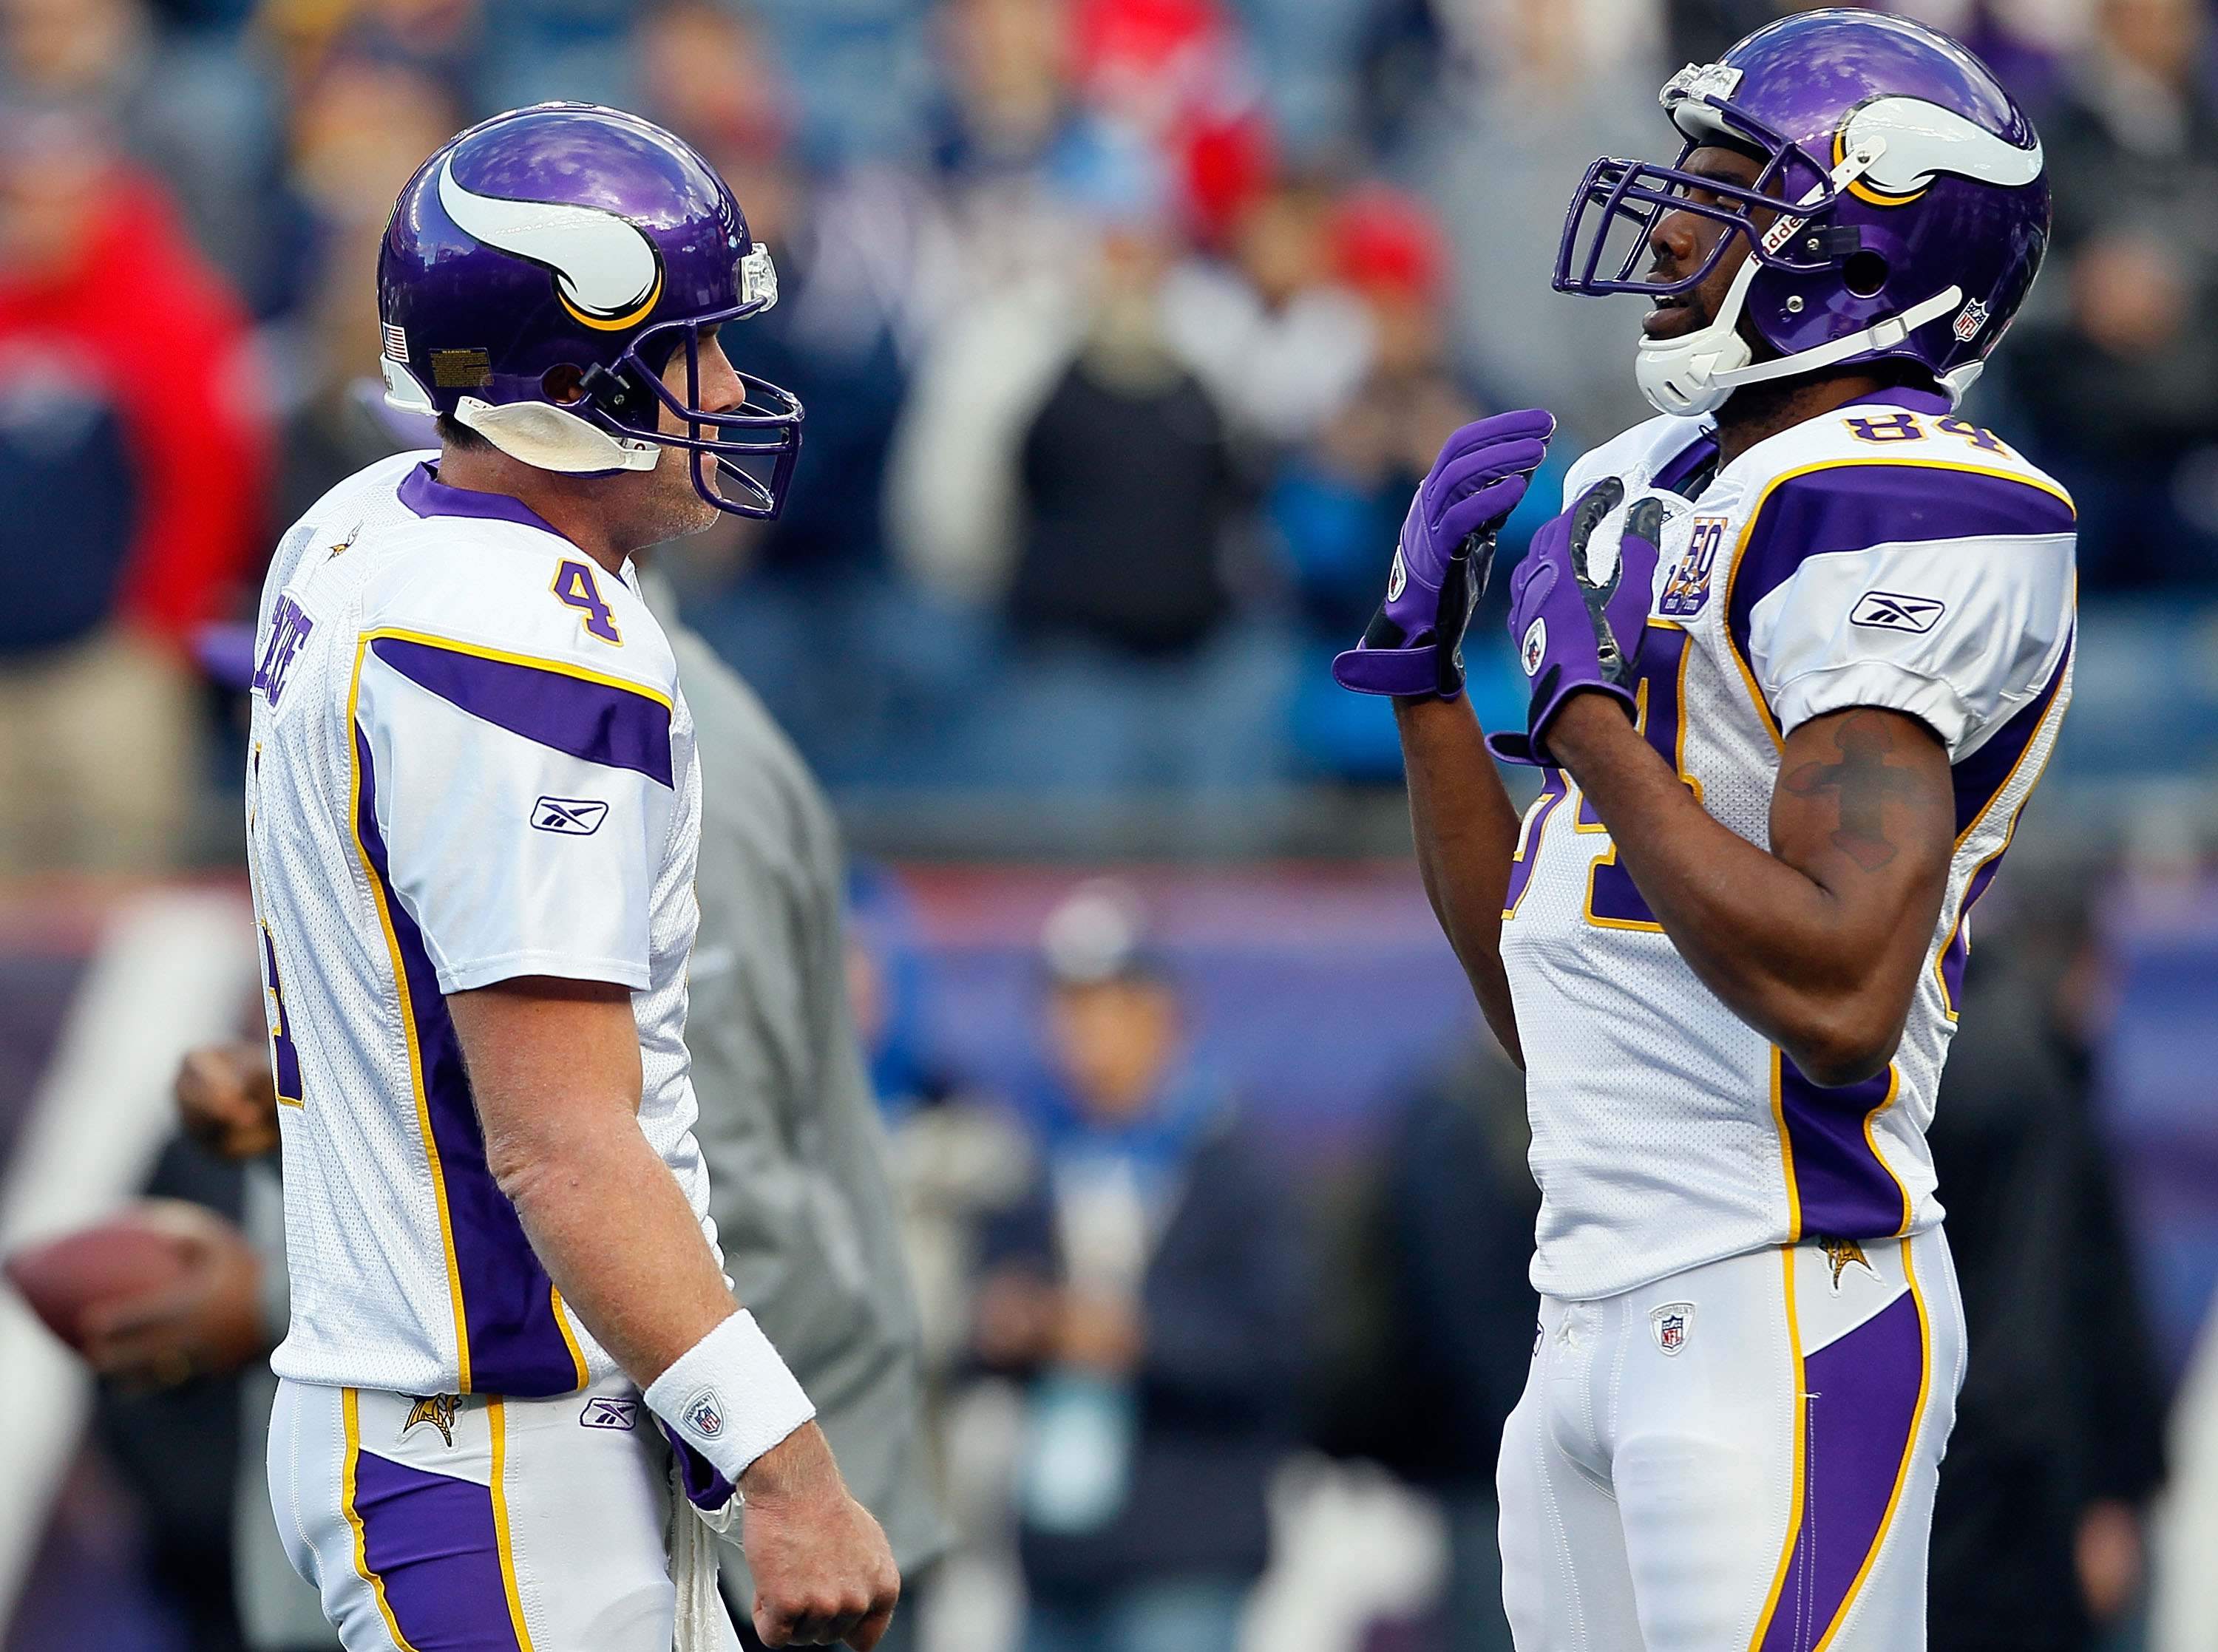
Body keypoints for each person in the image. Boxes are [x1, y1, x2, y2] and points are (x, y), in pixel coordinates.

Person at [1334, 13, 2072, 1649]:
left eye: (1729, 186)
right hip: (1587, 1305)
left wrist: (1587, 718)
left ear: (1866, 238)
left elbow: (1841, 991)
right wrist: (1428, 686)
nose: (1673, 223)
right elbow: (1542, 995)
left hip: (1782, 1298)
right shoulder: (1649, 474)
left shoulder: (1909, 500)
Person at [243, 103, 896, 1651]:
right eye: (687, 350)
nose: (725, 390)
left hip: (470, 1421)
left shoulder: (358, 528)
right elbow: (560, 1141)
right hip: (496, 1440)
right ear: (570, 385)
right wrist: (787, 1466)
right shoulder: (524, 638)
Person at [971, 880, 1311, 1652]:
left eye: (1104, 1009)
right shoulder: (1037, 1162)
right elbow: (981, 1321)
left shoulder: (1234, 1167)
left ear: (1161, 1014)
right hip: (1056, 1550)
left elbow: (1282, 1347)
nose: (1081, 1036)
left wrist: (1138, 1338)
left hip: (1184, 1547)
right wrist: (1006, 1324)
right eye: (1066, 1012)